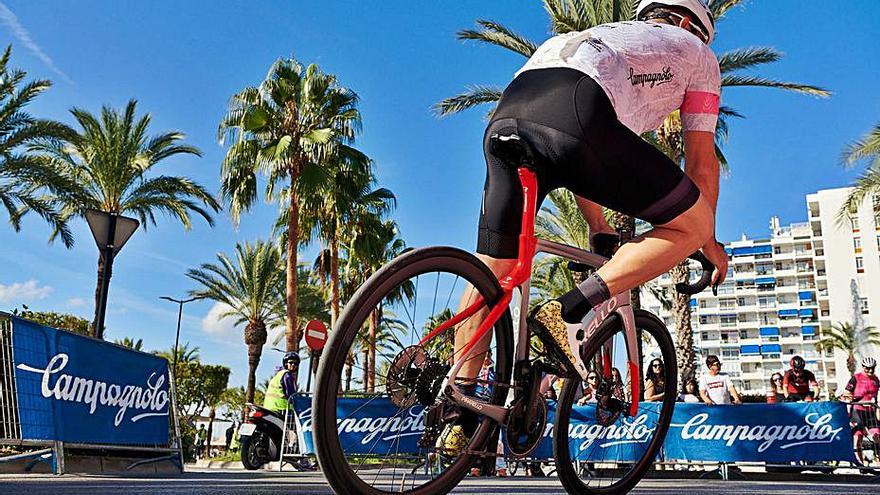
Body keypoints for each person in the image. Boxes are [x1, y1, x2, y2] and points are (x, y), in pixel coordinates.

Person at [447, 0, 727, 453]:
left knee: (493, 271)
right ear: (686, 23)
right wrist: (708, 238)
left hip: (510, 112)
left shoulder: (609, 37)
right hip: (576, 112)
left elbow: (579, 152)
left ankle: (457, 407)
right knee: (692, 224)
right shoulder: (695, 52)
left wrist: (598, 226)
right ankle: (571, 310)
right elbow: (700, 162)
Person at [840, 357, 880, 466]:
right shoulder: (856, 378)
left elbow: (876, 397)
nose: (870, 371)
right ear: (863, 367)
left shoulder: (876, 379)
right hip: (857, 411)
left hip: (870, 412)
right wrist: (857, 398)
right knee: (858, 438)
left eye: (872, 368)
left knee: (877, 436)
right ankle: (860, 465)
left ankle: (878, 462)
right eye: (868, 369)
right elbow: (845, 394)